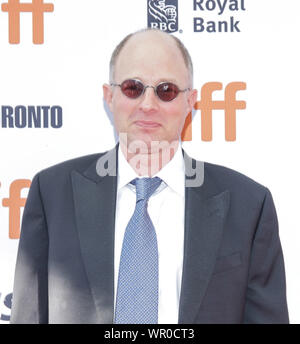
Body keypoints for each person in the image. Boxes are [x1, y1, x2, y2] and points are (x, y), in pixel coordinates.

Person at [10, 28, 289, 324]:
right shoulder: (52, 195)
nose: (148, 104)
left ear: (190, 102)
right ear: (110, 96)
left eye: (166, 90)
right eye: (133, 87)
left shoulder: (249, 207)